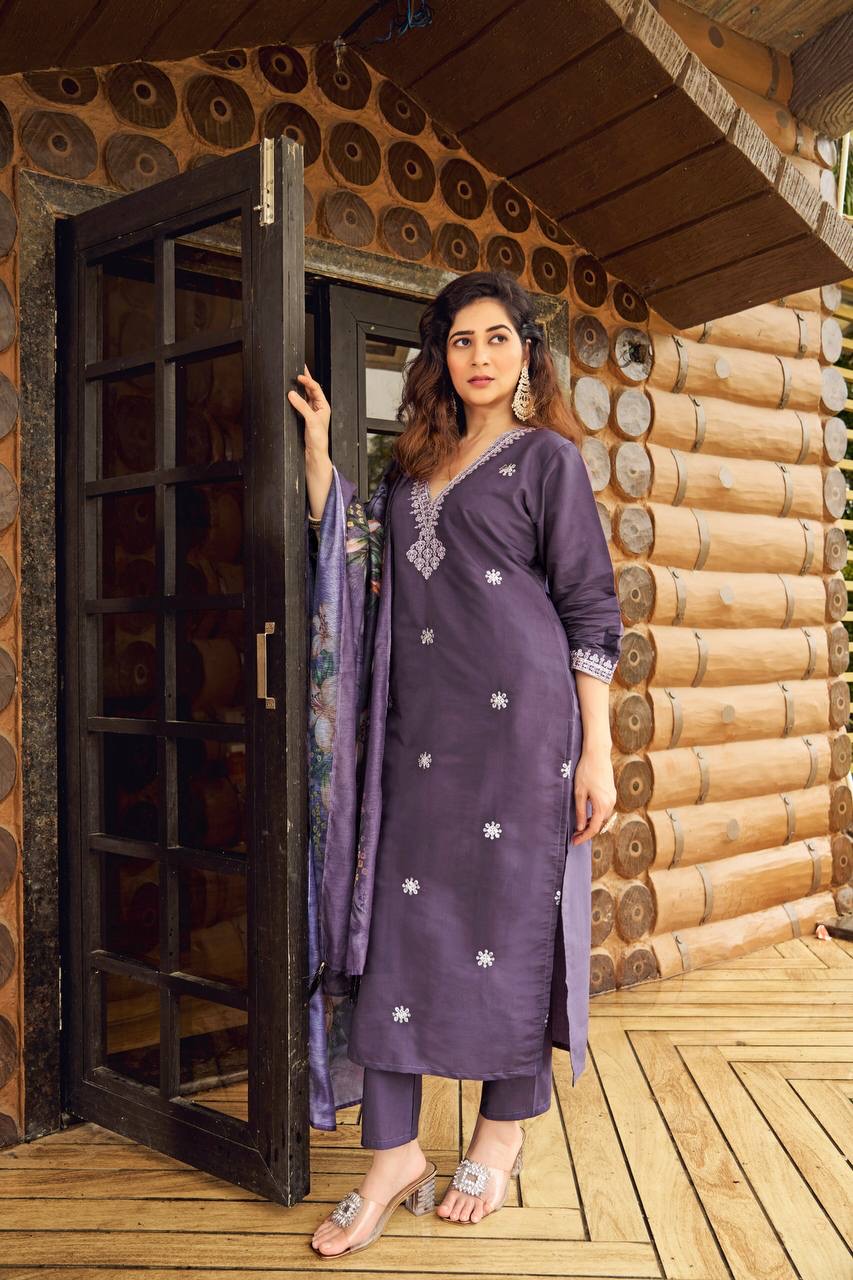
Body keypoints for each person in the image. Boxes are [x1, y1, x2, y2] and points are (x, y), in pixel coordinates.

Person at [290, 270, 623, 1258]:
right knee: (399, 926)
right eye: (460, 340)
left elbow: (590, 610)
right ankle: (392, 1152)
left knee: (511, 924)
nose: (479, 356)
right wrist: (320, 456)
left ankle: (499, 1132)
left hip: (524, 732)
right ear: (439, 357)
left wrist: (596, 750)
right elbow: (357, 558)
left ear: (526, 354)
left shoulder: (549, 461)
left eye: (496, 338)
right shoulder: (411, 468)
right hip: (419, 733)